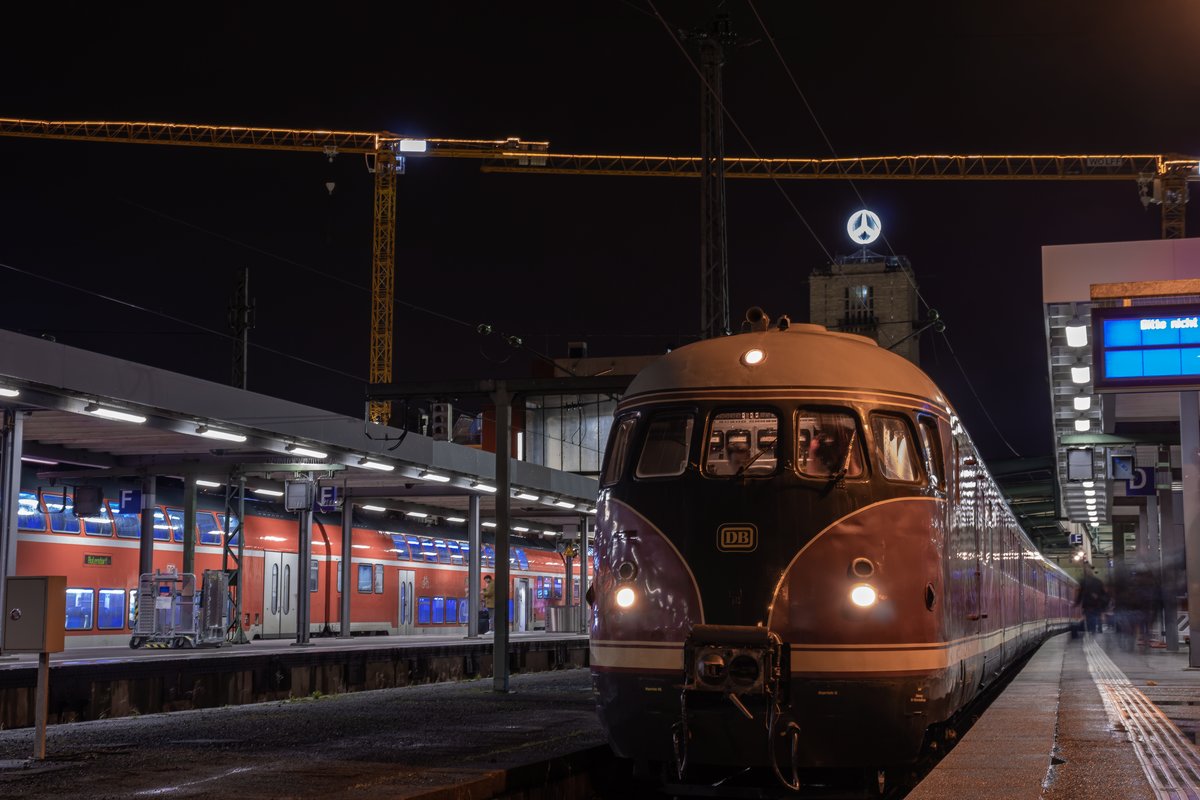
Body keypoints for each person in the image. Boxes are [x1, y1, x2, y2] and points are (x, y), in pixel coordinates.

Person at [1075, 563, 1108, 635]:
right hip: (1090, 605)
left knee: (1092, 619)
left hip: (1095, 605)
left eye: (1087, 569)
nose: (1086, 571)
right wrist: (1077, 603)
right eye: (1085, 569)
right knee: (1091, 619)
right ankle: (1095, 631)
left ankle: (1095, 631)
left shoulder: (1097, 582)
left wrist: (1077, 603)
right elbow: (1080, 594)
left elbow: (1104, 595)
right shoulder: (1087, 582)